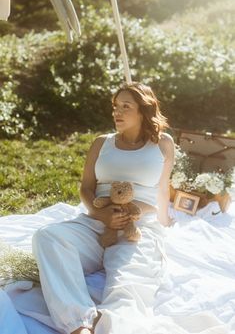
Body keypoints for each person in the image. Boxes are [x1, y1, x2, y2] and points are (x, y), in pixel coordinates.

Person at [32, 81, 175, 334]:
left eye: (125, 106)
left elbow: (162, 191)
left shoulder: (163, 144)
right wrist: (100, 214)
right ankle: (78, 324)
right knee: (48, 236)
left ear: (143, 110)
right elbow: (86, 188)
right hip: (96, 222)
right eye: (115, 106)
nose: (116, 112)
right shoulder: (102, 143)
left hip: (137, 228)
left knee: (126, 284)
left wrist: (160, 220)